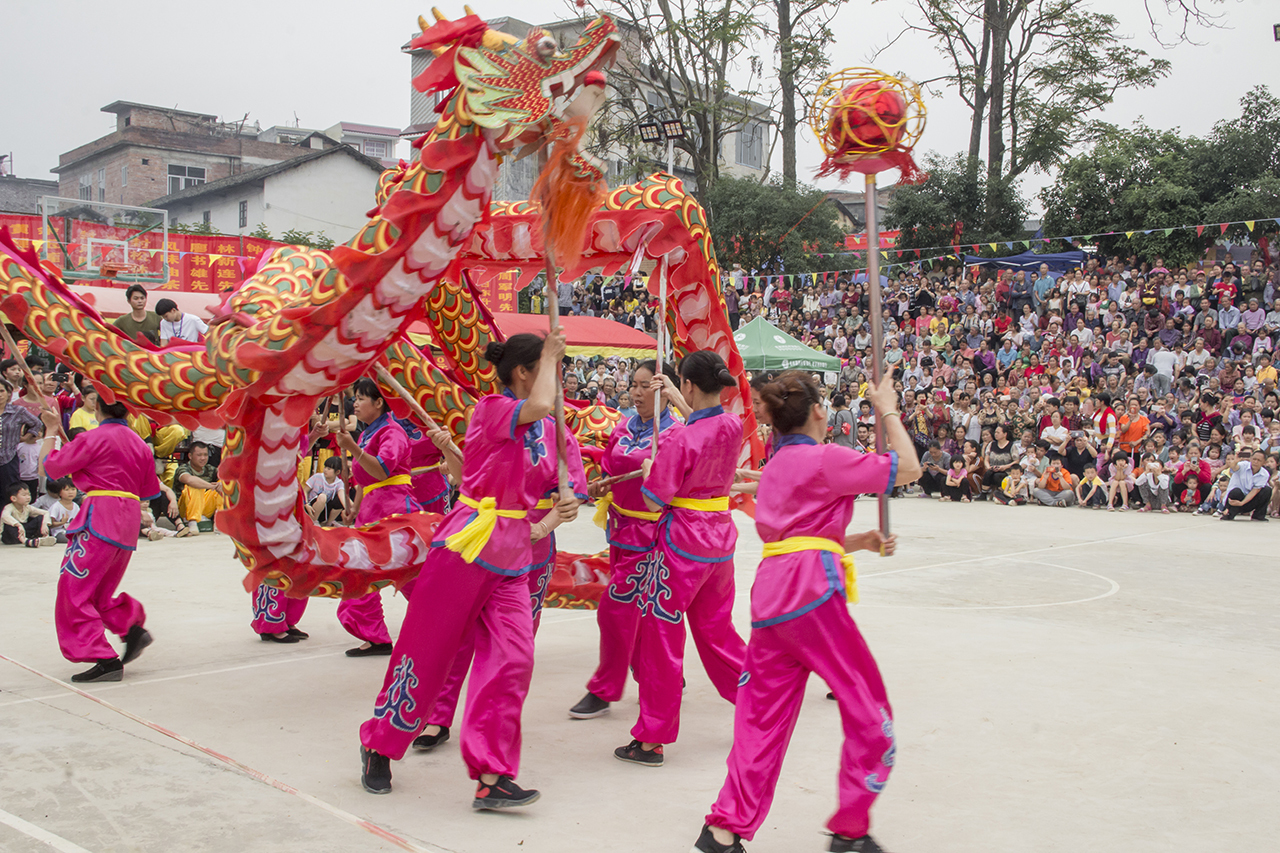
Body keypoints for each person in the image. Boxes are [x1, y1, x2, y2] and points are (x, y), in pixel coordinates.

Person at [693, 370, 919, 853]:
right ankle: (850, 828)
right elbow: (908, 468)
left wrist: (858, 541)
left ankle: (723, 828)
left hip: (772, 599)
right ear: (818, 412)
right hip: (812, 594)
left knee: (761, 719)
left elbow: (799, 534)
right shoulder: (826, 458)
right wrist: (887, 407)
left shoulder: (775, 466)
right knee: (866, 705)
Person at [359, 331, 577, 809]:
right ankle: (379, 742)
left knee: (514, 658)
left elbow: (566, 478)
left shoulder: (553, 425)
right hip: (467, 544)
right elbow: (537, 408)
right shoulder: (493, 408)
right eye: (548, 367)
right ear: (524, 373)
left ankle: (493, 774)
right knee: (427, 650)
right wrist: (552, 360)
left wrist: (567, 498)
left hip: (514, 554)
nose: (556, 378)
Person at [414, 395, 587, 751]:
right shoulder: (493, 418)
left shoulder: (558, 435)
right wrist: (448, 450)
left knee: (510, 645)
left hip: (532, 547)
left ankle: (491, 729)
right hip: (482, 541)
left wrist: (543, 527)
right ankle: (438, 717)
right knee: (458, 635)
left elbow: (573, 495)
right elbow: (467, 481)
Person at [618, 350, 748, 767]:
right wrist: (676, 398)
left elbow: (656, 498)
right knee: (718, 632)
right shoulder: (732, 425)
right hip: (720, 540)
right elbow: (703, 425)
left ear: (689, 385)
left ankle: (652, 736)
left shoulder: (677, 439)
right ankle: (761, 703)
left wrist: (650, 470)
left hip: (682, 544)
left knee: (661, 639)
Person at [570, 359, 685, 720]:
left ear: (664, 389)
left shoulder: (673, 434)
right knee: (638, 611)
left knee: (615, 610)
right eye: (633, 384)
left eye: (644, 385)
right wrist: (600, 481)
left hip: (652, 535)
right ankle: (659, 673)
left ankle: (604, 688)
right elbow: (610, 466)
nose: (635, 392)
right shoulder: (624, 427)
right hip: (620, 532)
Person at [36, 397, 160, 682]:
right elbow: (146, 489)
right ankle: (130, 627)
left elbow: (49, 469)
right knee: (99, 591)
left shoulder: (95, 437)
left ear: (97, 408)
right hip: (127, 519)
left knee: (74, 589)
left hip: (100, 516)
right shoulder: (140, 444)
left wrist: (52, 429)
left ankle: (104, 657)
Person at [333, 378, 423, 657]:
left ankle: (437, 625)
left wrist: (353, 449)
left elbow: (382, 470)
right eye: (355, 398)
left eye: (361, 398)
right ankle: (375, 636)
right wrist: (354, 508)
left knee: (411, 576)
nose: (355, 403)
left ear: (379, 402)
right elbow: (363, 481)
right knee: (359, 574)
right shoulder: (365, 434)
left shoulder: (392, 432)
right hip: (372, 511)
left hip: (395, 511)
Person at [174, 442, 223, 532]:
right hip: (185, 509)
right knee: (195, 485)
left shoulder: (210, 469)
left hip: (204, 508)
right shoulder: (183, 468)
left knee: (222, 483)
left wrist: (220, 485)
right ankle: (192, 521)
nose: (203, 458)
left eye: (205, 455)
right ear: (190, 456)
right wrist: (210, 486)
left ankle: (219, 520)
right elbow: (189, 480)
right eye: (199, 455)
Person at [1222, 449, 1271, 521]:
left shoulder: (1264, 474)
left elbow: (1255, 491)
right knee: (1236, 491)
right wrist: (1235, 461)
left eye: (1259, 460)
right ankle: (1229, 513)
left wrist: (1242, 503)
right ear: (1250, 458)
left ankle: (1258, 516)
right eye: (1254, 459)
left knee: (1267, 490)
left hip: (1247, 501)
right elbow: (1234, 467)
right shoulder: (1243, 465)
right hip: (1233, 499)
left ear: (1264, 462)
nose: (1255, 462)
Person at [2, 482, 54, 546]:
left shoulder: (27, 507)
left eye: (29, 495)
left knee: (40, 517)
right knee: (9, 527)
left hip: (24, 531)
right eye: (24, 495)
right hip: (12, 535)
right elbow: (4, 516)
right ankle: (26, 541)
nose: (28, 497)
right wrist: (18, 525)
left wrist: (44, 524)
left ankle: (44, 537)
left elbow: (46, 512)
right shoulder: (9, 507)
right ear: (14, 498)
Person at [305, 456, 347, 525]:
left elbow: (342, 496)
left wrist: (348, 510)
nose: (325, 470)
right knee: (323, 496)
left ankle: (329, 522)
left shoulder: (339, 483)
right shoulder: (317, 477)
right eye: (325, 467)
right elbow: (305, 491)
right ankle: (313, 521)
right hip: (311, 508)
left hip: (324, 510)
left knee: (340, 500)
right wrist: (306, 504)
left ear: (337, 472)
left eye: (329, 468)